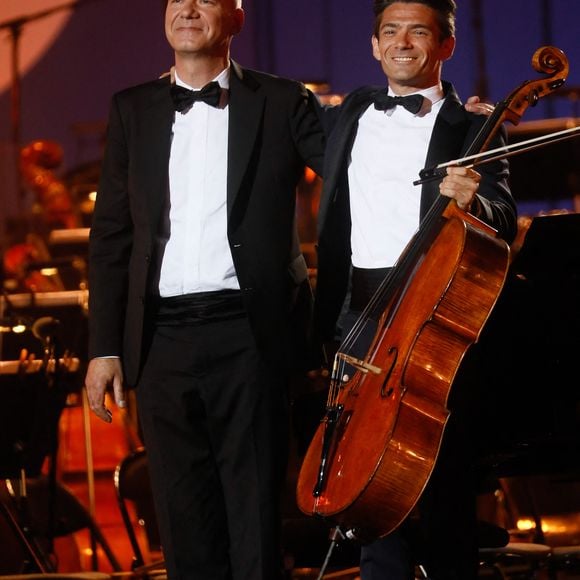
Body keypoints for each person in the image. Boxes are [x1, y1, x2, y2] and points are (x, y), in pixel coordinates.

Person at [84, 0, 325, 578]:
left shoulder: (283, 100)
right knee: (182, 522)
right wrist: (103, 346)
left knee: (257, 521)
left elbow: (354, 167)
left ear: (238, 19)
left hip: (252, 334)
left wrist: (451, 124)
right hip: (160, 342)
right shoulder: (131, 109)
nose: (187, 9)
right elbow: (111, 236)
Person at [311, 1, 518, 579]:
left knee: (443, 484)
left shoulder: (475, 127)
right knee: (367, 489)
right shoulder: (348, 113)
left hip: (432, 314)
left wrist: (472, 198)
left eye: (419, 32)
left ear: (446, 46)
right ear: (375, 46)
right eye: (390, 32)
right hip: (359, 312)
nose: (403, 43)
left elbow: (503, 217)